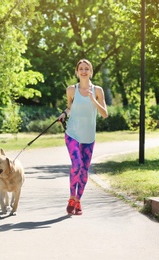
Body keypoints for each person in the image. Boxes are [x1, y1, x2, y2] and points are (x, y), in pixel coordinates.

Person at [58, 59, 108, 215]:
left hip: (88, 136)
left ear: (91, 72)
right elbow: (70, 107)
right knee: (77, 164)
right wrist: (64, 113)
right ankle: (71, 197)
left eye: (87, 68)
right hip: (72, 133)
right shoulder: (71, 90)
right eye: (81, 68)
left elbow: (105, 114)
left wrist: (93, 99)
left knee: (85, 170)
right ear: (77, 72)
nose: (84, 71)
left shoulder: (98, 90)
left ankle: (78, 201)